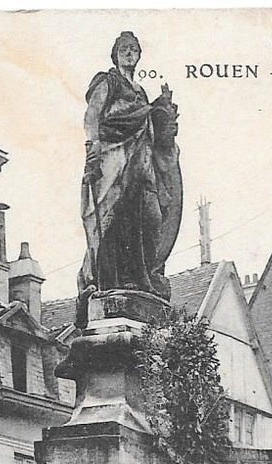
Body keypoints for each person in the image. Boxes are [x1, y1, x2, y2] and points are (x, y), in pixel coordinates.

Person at [79, 31, 182, 299]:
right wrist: (94, 147)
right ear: (115, 54)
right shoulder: (108, 81)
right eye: (124, 49)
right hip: (114, 157)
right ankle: (111, 279)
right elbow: (92, 116)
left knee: (150, 217)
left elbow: (152, 129)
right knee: (114, 219)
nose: (129, 53)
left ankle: (142, 275)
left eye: (134, 49)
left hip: (141, 161)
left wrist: (161, 109)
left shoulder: (140, 92)